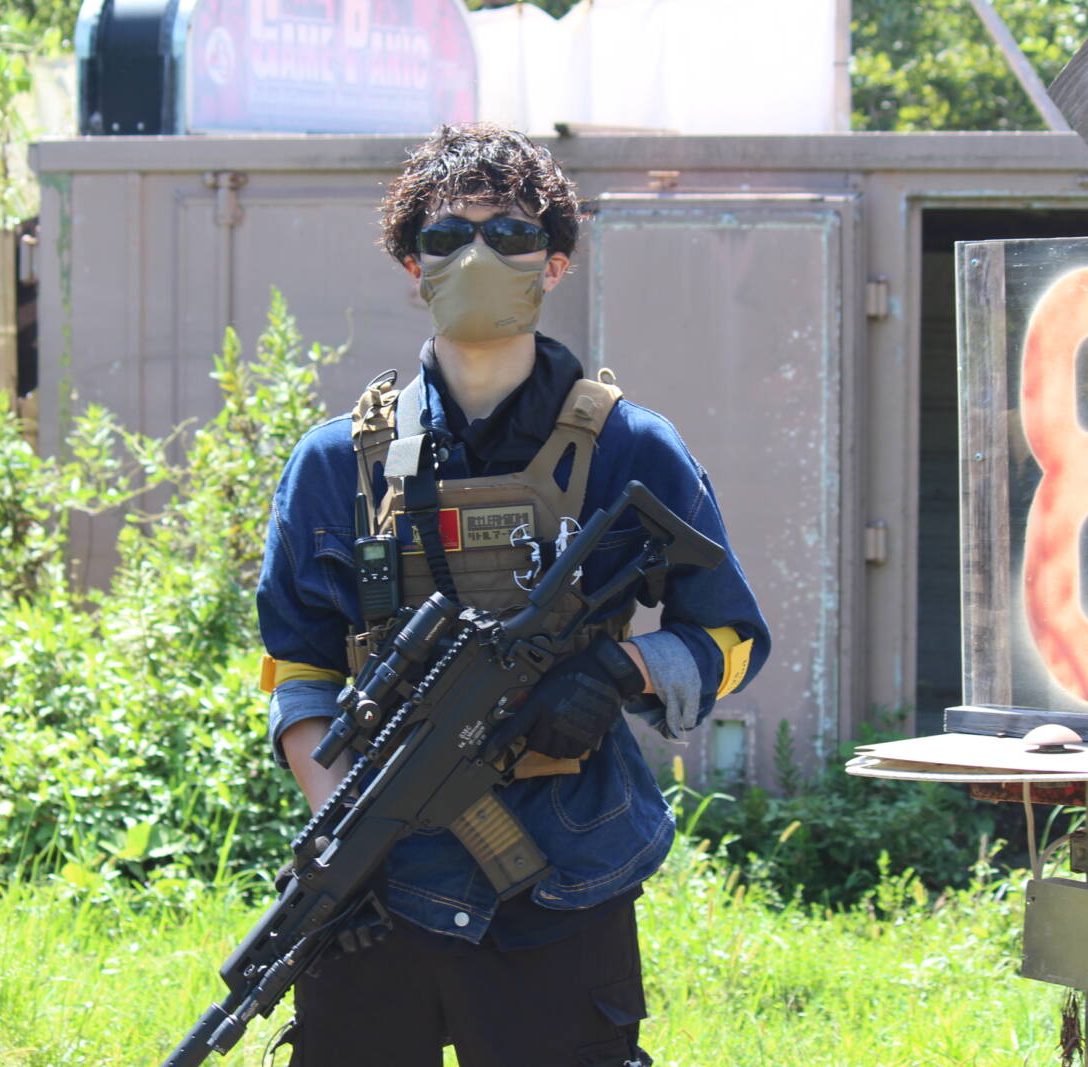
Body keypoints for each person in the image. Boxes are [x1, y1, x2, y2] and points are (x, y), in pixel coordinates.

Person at [255, 123, 769, 1067]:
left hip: (565, 875)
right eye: (447, 236)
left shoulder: (631, 449)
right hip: (376, 891)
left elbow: (731, 636)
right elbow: (301, 667)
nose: (478, 256)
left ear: (556, 263)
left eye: (512, 235)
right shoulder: (334, 463)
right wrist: (344, 830)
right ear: (412, 265)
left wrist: (619, 672)